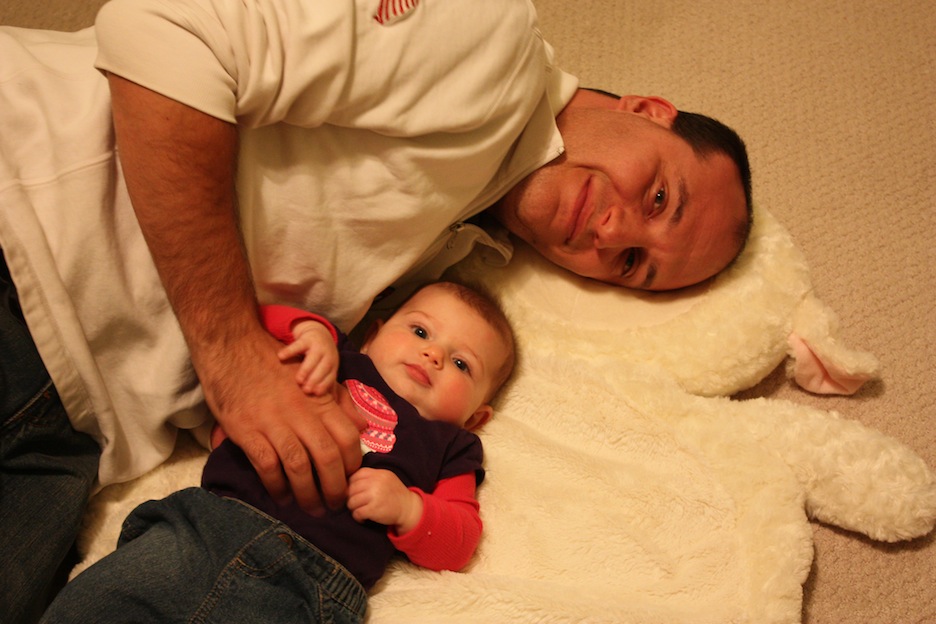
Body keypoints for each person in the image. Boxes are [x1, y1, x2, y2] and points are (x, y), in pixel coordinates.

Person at [0, 0, 751, 619]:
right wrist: (231, 352)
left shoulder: (453, 261)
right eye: (660, 196)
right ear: (648, 110)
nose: (613, 232)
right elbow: (160, 28)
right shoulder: (484, 36)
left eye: (632, 265)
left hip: (80, 434)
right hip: (23, 240)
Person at [39, 280, 515, 623]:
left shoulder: (452, 446)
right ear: (373, 334)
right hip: (206, 525)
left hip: (309, 581)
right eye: (420, 332)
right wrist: (311, 331)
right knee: (97, 604)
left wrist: (410, 509)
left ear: (476, 417)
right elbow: (249, 326)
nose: (433, 355)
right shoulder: (339, 358)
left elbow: (461, 540)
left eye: (461, 363)